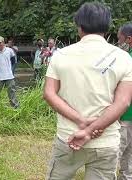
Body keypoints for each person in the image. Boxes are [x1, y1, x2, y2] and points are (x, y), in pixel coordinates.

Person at [43, 2, 132, 179]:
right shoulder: (122, 57)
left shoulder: (61, 55)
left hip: (69, 137)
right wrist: (91, 129)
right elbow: (123, 102)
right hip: (106, 140)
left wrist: (82, 122)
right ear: (107, 27)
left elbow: (49, 93)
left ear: (79, 27)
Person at [117, 23, 132, 180]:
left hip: (127, 112)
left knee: (118, 148)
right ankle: (126, 177)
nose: (117, 39)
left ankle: (104, 175)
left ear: (129, 39)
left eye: (119, 36)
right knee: (130, 150)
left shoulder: (127, 59)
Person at [0, 36, 19, 108]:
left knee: (12, 92)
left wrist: (10, 70)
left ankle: (15, 107)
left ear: (3, 43)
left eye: (0, 42)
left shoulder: (9, 51)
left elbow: (13, 62)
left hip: (9, 76)